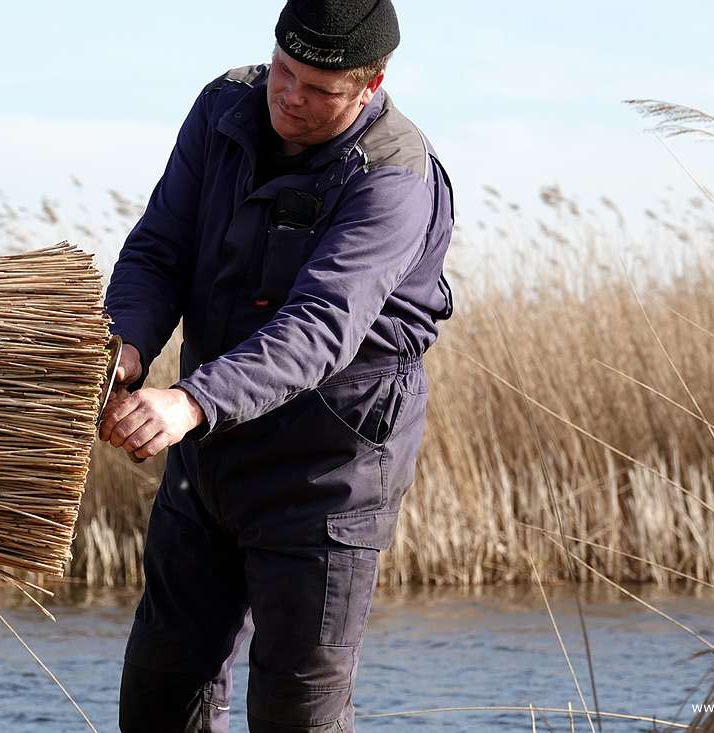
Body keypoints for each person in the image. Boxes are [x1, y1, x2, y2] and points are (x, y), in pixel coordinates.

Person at [99, 1, 454, 729]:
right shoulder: (224, 106)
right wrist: (127, 347)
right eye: (283, 72)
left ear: (371, 84)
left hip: (327, 472)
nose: (290, 97)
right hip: (207, 458)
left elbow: (321, 326)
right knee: (161, 690)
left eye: (319, 89)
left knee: (297, 709)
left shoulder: (394, 174)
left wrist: (189, 401)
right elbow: (160, 248)